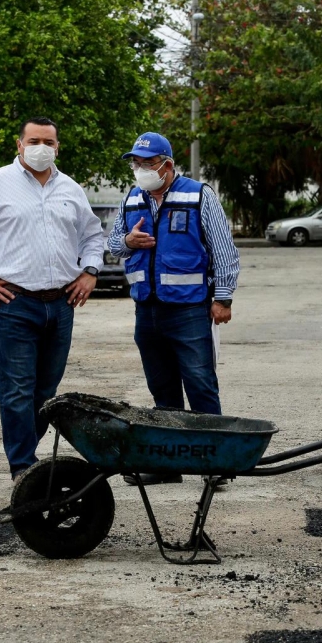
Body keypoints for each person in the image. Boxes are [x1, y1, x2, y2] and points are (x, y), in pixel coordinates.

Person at [0, 117, 104, 482]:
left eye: (48, 141)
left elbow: (92, 236)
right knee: (16, 389)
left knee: (46, 390)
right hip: (12, 303)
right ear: (19, 145)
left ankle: (25, 455)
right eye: (34, 140)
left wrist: (90, 271)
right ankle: (23, 468)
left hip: (61, 305)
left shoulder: (71, 190)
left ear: (58, 147)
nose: (41, 147)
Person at [108, 132, 240, 486]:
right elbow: (112, 244)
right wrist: (126, 241)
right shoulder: (132, 199)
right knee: (162, 388)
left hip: (189, 310)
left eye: (147, 163)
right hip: (146, 309)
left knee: (200, 384)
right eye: (136, 163)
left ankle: (216, 463)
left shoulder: (198, 195)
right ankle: (168, 466)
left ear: (167, 164)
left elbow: (224, 249)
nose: (140, 170)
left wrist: (223, 298)